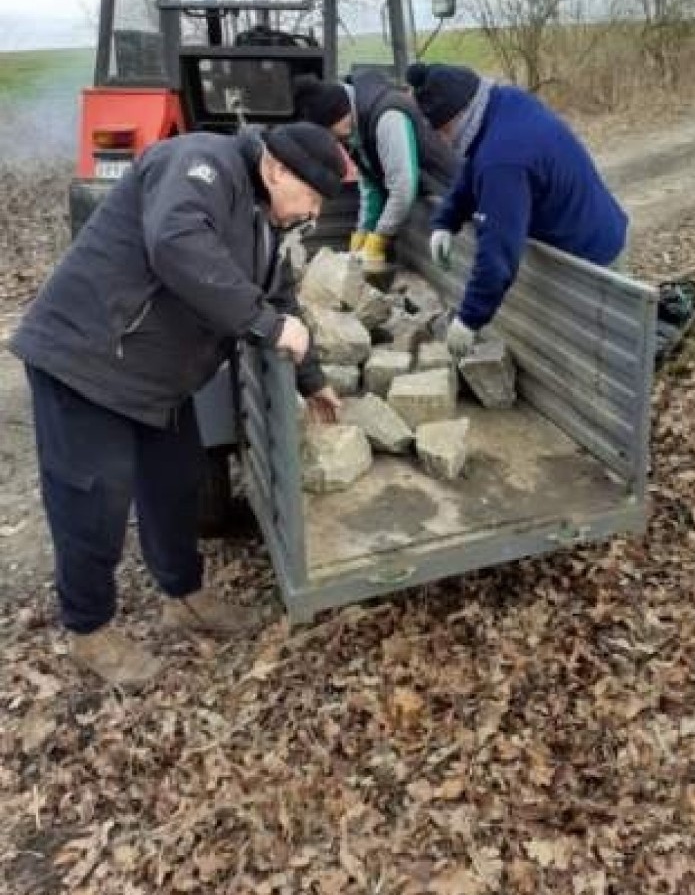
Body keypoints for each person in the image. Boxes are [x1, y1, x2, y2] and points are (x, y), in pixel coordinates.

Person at [10, 122, 346, 687]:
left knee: (176, 484)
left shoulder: (265, 223)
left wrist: (312, 380)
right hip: (89, 356)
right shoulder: (201, 162)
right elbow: (175, 243)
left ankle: (182, 596)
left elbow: (280, 299)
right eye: (310, 198)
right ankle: (90, 630)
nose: (310, 213)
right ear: (279, 169)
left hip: (154, 378)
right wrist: (263, 324)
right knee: (93, 502)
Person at [406, 62, 629, 356]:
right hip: (591, 232)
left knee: (598, 357)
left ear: (457, 118)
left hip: (593, 260)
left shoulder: (503, 160)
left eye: (442, 131)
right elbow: (474, 169)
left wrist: (469, 320)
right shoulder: (501, 104)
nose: (444, 140)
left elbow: (498, 254)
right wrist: (445, 221)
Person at [293, 70, 452, 271]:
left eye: (331, 133)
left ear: (339, 114)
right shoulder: (356, 129)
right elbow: (371, 186)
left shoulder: (387, 117)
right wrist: (362, 233)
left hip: (446, 194)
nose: (334, 141)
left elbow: (403, 187)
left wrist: (379, 238)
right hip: (425, 202)